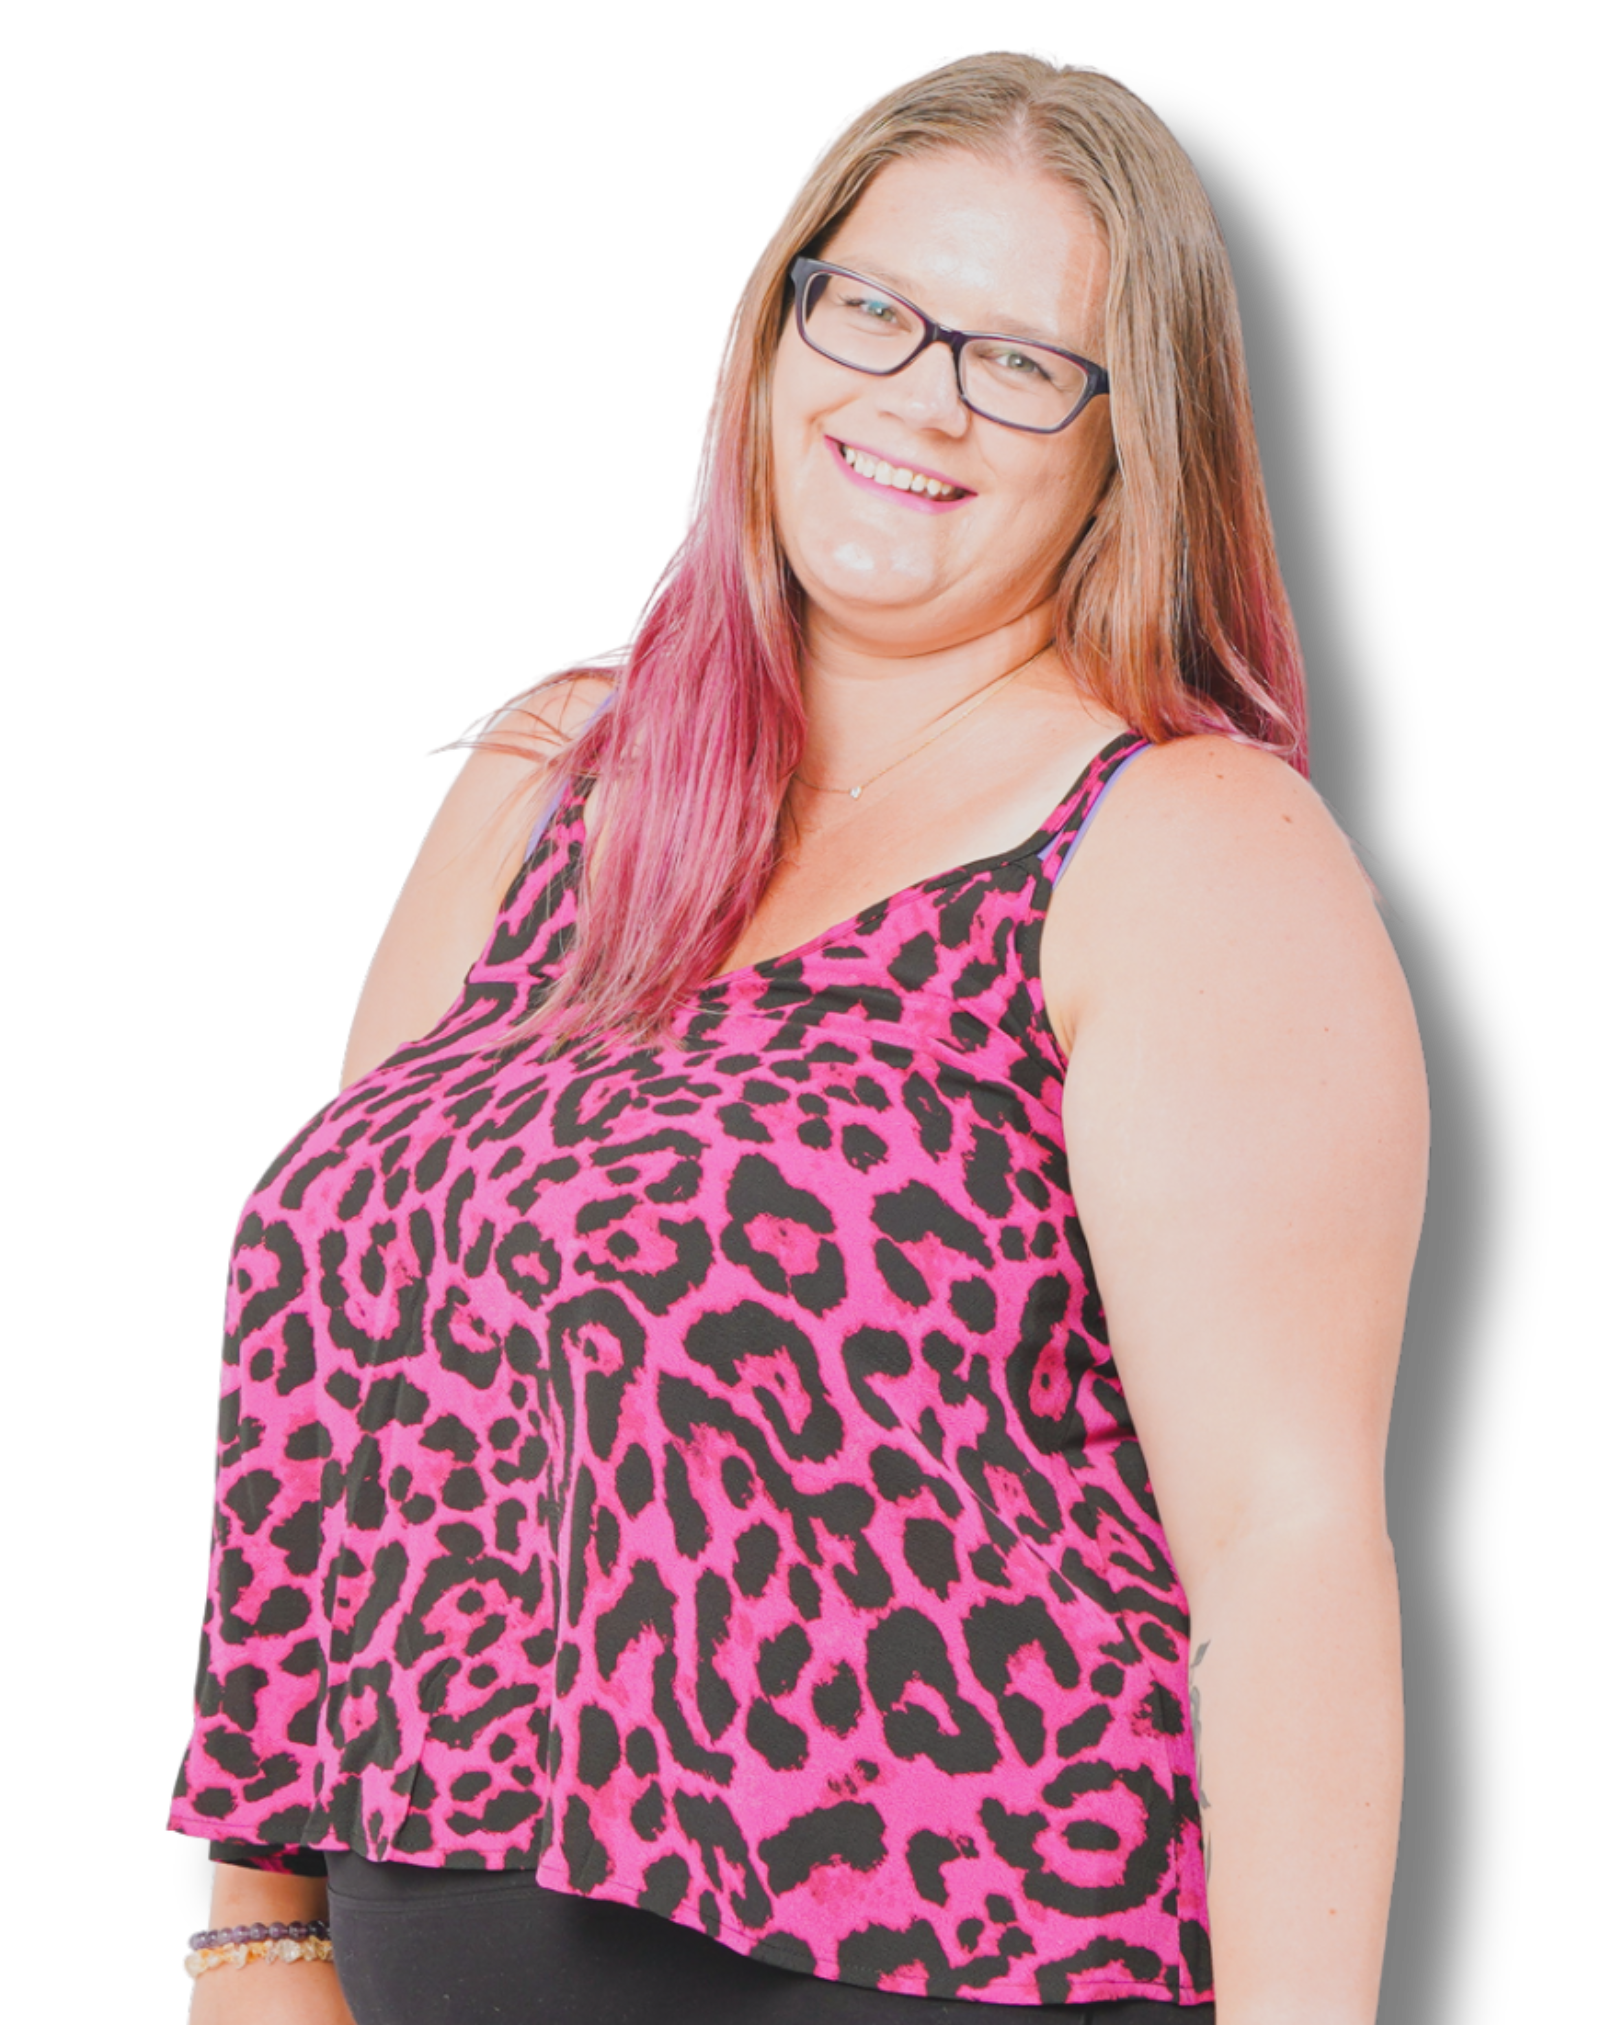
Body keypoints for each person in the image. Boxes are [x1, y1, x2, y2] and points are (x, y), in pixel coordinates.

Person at [170, 48, 1427, 2025]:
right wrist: (265, 1929)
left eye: (1022, 361)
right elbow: (354, 1411)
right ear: (780, 328)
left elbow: (1286, 1549)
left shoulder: (1183, 849)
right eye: (877, 309)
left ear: (1127, 443)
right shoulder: (545, 782)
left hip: (962, 1970)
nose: (919, 398)